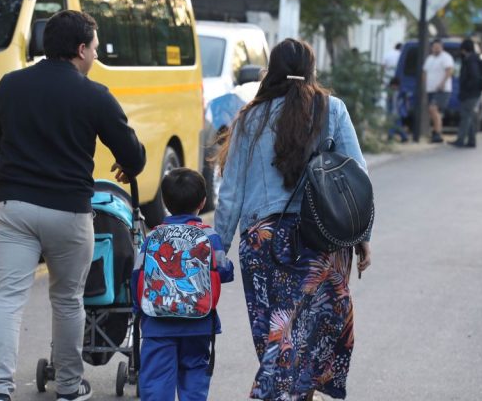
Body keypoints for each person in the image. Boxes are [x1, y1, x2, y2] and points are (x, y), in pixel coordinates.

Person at [0, 10, 146, 401]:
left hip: (15, 207)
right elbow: (134, 156)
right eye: (93, 47)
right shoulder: (94, 95)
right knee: (69, 300)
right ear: (80, 49)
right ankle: (70, 388)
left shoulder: (10, 85)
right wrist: (125, 165)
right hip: (69, 213)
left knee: (7, 300)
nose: (94, 56)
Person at [213, 38, 372, 401]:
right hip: (319, 240)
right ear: (312, 70)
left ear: (272, 70)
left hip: (262, 242)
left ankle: (277, 394)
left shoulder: (249, 117)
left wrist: (218, 246)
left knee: (277, 334)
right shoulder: (333, 110)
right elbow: (356, 179)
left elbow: (231, 192)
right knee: (305, 334)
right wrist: (362, 235)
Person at [132, 168, 234, 401]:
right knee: (194, 375)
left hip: (157, 323)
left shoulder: (152, 237)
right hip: (198, 322)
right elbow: (224, 270)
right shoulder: (209, 236)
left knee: (156, 381)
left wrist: (139, 311)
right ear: (203, 202)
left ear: (165, 202)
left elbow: (137, 276)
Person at [451, 39, 481, 148]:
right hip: (473, 93)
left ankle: (460, 139)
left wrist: (466, 89)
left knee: (465, 116)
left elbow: (474, 77)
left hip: (470, 94)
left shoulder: (470, 60)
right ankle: (471, 140)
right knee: (469, 116)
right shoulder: (473, 59)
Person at [423, 39, 454, 143]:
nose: (436, 49)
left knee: (433, 108)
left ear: (441, 47)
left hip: (442, 89)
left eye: (438, 47)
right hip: (430, 89)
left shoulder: (446, 58)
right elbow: (425, 72)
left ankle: (437, 132)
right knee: (434, 112)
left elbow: (449, 71)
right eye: (434, 47)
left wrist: (442, 83)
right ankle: (437, 132)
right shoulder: (430, 59)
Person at [382, 43, 402, 116]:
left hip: (387, 80)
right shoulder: (401, 54)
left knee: (388, 99)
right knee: (395, 100)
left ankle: (387, 116)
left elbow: (383, 67)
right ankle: (394, 117)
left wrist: (382, 79)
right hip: (396, 81)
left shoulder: (387, 54)